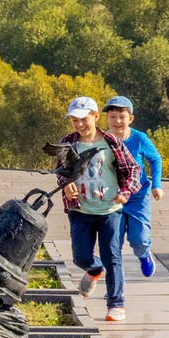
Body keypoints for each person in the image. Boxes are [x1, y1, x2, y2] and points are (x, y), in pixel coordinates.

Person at [50, 94, 140, 324]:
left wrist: (125, 192)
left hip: (110, 210)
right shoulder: (68, 142)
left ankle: (116, 304)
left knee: (113, 257)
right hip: (81, 210)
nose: (79, 125)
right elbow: (61, 172)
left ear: (95, 117)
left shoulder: (111, 142)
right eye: (74, 120)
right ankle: (94, 269)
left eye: (84, 119)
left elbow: (134, 170)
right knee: (81, 257)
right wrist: (66, 184)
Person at [105, 95, 163, 279]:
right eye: (112, 116)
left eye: (122, 117)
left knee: (139, 239)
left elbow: (155, 159)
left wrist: (157, 185)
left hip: (138, 198)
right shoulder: (103, 140)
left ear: (130, 119)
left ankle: (144, 254)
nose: (117, 121)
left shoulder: (139, 138)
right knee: (113, 244)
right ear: (106, 118)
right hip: (113, 199)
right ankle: (115, 286)